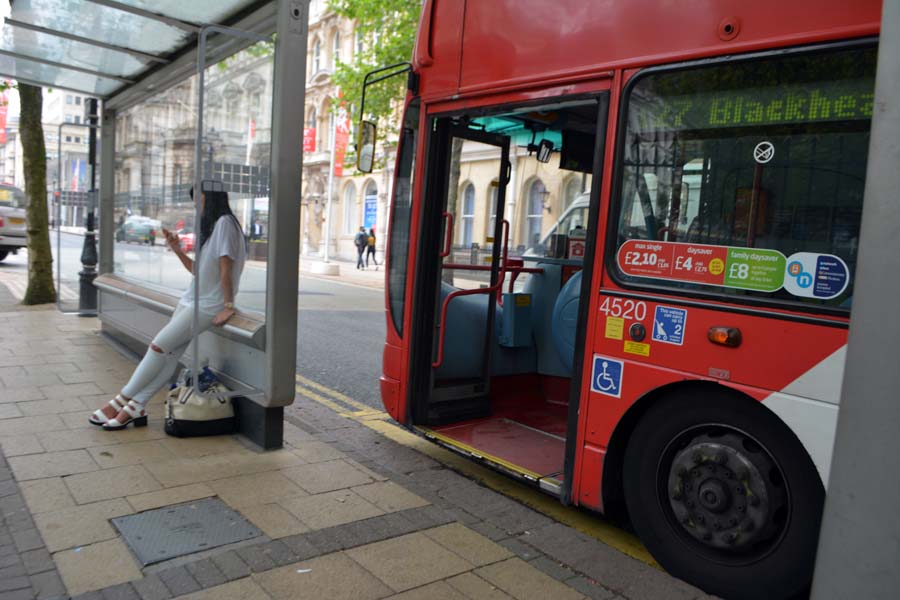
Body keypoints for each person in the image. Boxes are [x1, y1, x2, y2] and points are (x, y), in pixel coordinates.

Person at [89, 187, 247, 430]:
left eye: (200, 200)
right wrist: (176, 249)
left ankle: (120, 401)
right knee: (170, 355)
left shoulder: (226, 223)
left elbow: (227, 267)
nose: (197, 207)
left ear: (212, 197)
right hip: (191, 300)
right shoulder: (215, 227)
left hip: (208, 305)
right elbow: (199, 272)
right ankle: (136, 407)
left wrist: (228, 305)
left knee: (158, 346)